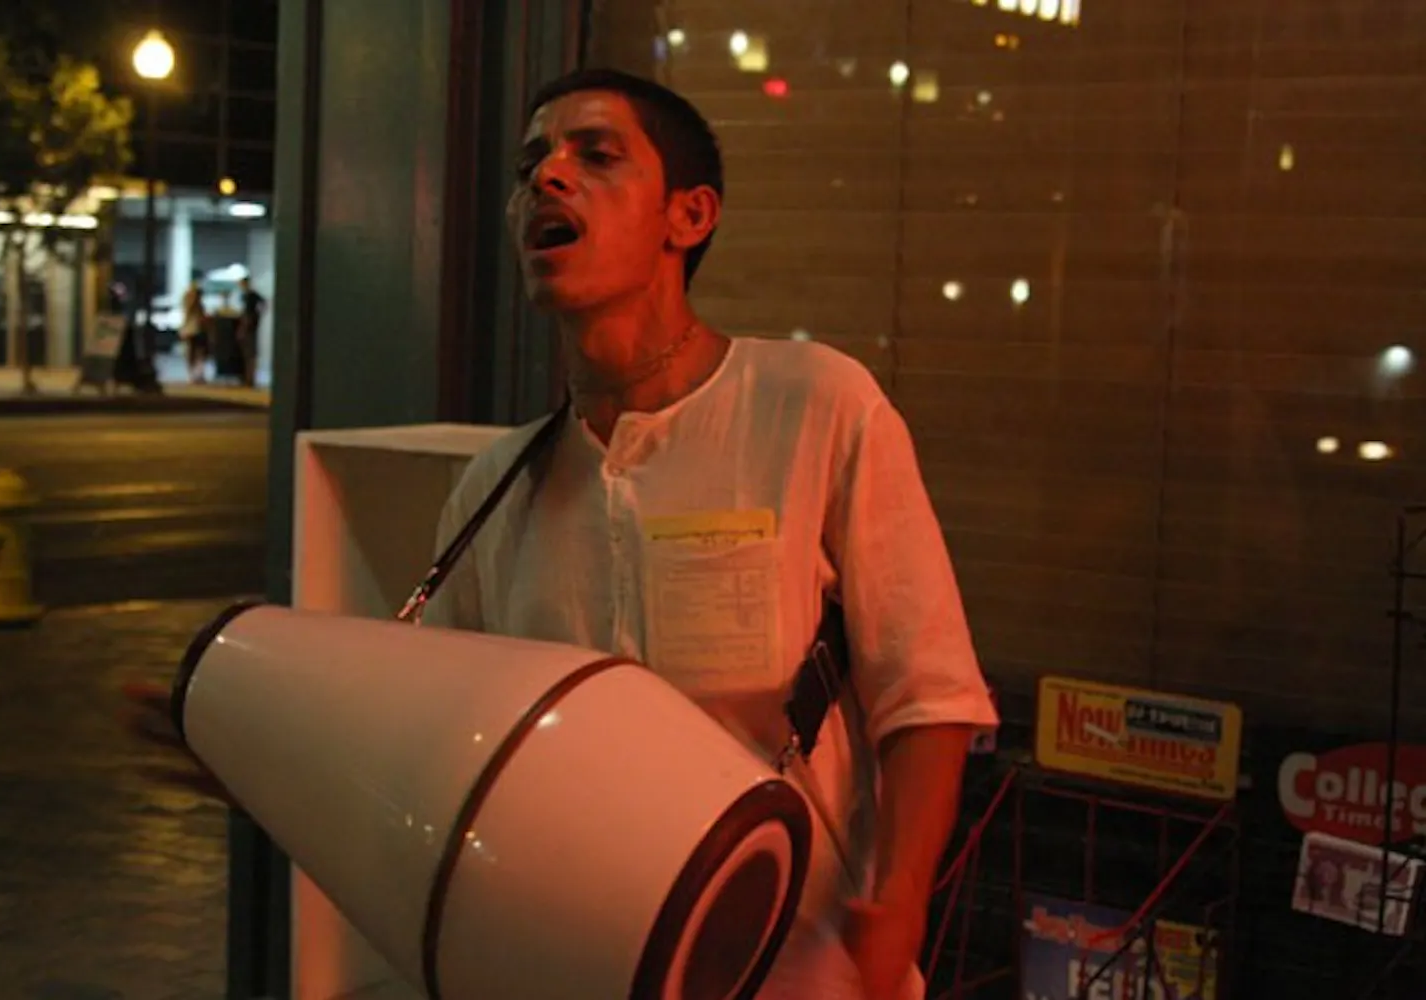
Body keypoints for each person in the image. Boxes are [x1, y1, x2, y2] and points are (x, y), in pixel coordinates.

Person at [128, 67, 997, 1000]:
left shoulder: (816, 405)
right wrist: (257, 753)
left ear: (689, 216)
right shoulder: (492, 490)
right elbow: (423, 746)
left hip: (799, 973)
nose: (547, 176)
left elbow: (928, 695)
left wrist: (900, 897)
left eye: (596, 154)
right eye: (530, 162)